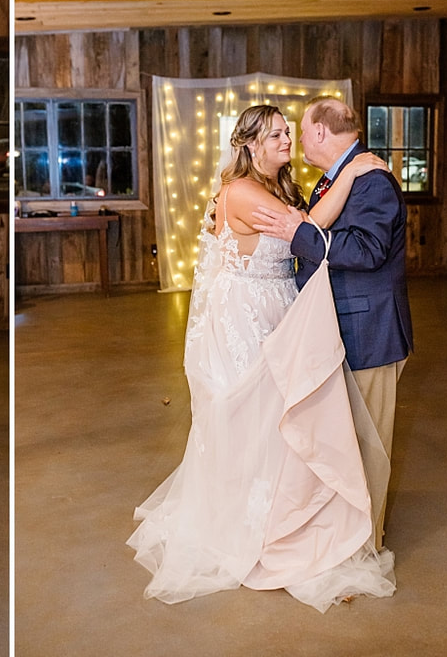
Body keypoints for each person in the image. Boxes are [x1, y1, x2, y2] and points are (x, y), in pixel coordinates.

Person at [127, 104, 396, 612]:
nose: (287, 141)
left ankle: (284, 518)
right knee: (261, 425)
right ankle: (256, 529)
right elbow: (309, 230)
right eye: (275, 135)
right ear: (250, 144)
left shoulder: (280, 187)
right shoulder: (245, 193)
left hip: (277, 311)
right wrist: (354, 170)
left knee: (279, 424)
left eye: (289, 132)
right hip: (247, 320)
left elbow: (304, 228)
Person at [252, 96, 414, 551]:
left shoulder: (374, 182)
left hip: (369, 333)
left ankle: (366, 547)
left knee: (368, 448)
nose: (298, 139)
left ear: (321, 132)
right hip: (339, 328)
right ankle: (343, 538)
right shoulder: (338, 178)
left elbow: (366, 251)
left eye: (301, 131)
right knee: (342, 446)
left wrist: (297, 234)